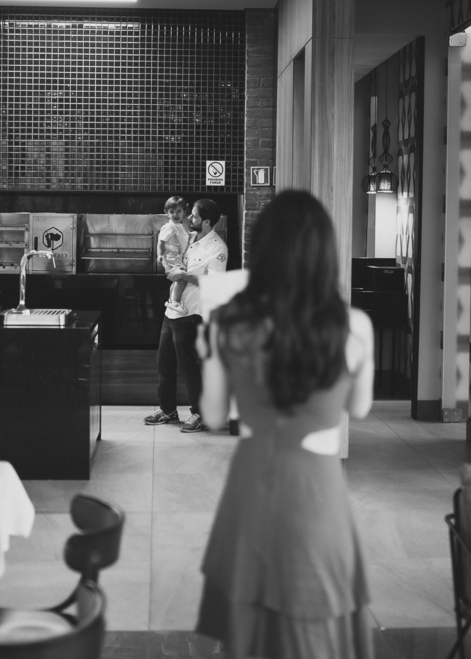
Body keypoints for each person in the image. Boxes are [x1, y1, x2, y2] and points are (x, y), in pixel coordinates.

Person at [194, 190, 376, 659]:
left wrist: (209, 354)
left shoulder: (228, 323)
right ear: (324, 252)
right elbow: (359, 408)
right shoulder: (354, 326)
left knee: (249, 629)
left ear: (264, 251)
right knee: (318, 623)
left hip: (251, 480)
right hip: (318, 487)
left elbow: (212, 416)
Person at [143, 198, 228, 433]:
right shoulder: (189, 237)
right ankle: (168, 410)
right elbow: (170, 250)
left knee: (188, 367)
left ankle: (200, 413)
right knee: (164, 363)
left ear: (207, 222)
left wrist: (184, 276)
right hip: (172, 311)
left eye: (194, 215)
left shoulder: (218, 248)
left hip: (192, 314)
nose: (189, 217)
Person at [157, 196, 191, 315]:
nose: (175, 214)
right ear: (167, 213)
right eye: (171, 212)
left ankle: (171, 300)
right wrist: (159, 255)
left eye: (178, 211)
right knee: (182, 278)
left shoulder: (182, 226)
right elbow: (161, 242)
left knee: (177, 279)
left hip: (178, 257)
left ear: (184, 212)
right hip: (171, 257)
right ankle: (175, 301)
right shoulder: (169, 227)